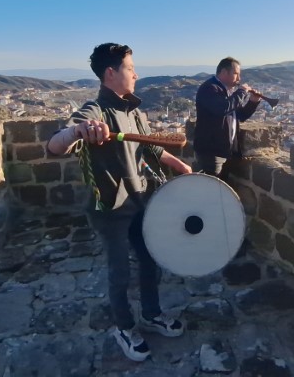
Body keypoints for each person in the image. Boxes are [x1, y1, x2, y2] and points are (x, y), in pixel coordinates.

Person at [47, 43, 192, 362]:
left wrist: (180, 166)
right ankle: (124, 327)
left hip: (140, 200)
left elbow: (151, 148)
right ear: (110, 73)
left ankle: (152, 315)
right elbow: (55, 145)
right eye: (130, 68)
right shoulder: (95, 111)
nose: (136, 74)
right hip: (110, 208)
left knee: (150, 260)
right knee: (119, 272)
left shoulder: (135, 111)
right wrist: (78, 132)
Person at [194, 57, 261, 179]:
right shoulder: (209, 88)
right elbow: (222, 108)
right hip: (211, 152)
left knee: (221, 188)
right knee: (212, 187)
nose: (239, 79)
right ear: (224, 72)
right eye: (236, 74)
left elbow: (240, 115)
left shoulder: (228, 91)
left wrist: (253, 101)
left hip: (225, 152)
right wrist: (241, 92)